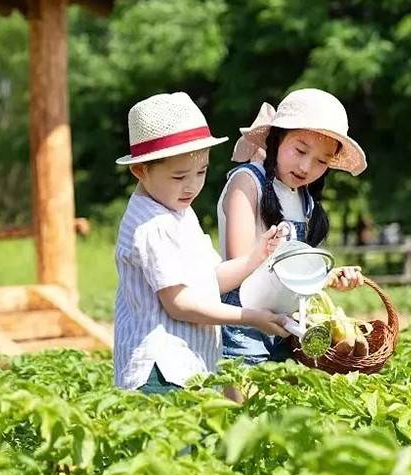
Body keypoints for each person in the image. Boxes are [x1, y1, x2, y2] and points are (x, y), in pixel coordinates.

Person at [113, 92, 291, 394]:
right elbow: (180, 304)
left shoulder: (179, 210)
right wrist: (251, 318)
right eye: (179, 176)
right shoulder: (153, 225)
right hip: (160, 372)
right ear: (140, 170)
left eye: (201, 172)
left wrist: (256, 256)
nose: (193, 185)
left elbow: (208, 282)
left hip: (189, 367)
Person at [218, 88, 368, 367]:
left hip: (287, 330)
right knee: (241, 410)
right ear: (276, 139)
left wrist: (329, 277)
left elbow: (288, 277)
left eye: (322, 161)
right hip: (242, 328)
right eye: (300, 150)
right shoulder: (247, 182)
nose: (306, 166)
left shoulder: (304, 199)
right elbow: (242, 271)